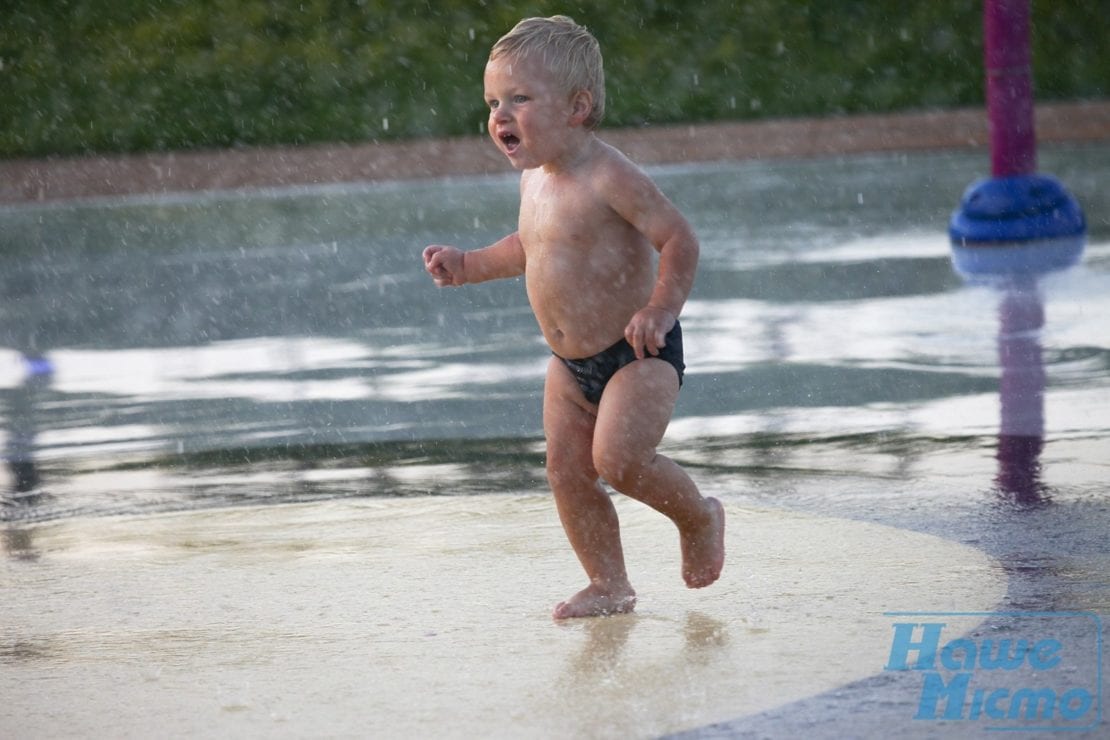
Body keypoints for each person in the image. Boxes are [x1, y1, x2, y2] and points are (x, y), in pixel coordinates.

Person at [422, 15, 724, 619]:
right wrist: (470, 263)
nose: (500, 116)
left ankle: (698, 516)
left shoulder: (609, 176)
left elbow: (679, 239)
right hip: (569, 365)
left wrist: (660, 309)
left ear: (578, 107)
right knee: (566, 473)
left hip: (637, 354)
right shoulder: (536, 179)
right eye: (493, 103)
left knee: (618, 463)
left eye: (520, 99)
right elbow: (530, 246)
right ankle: (609, 583)